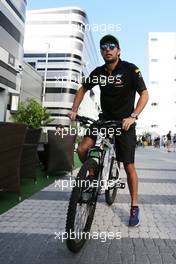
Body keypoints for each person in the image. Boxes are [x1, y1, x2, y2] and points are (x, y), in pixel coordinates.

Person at [68, 35, 149, 227]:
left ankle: (134, 207)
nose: (108, 49)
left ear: (118, 51)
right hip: (104, 119)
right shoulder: (98, 72)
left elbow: (144, 94)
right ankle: (91, 179)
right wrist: (74, 110)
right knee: (82, 149)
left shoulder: (130, 69)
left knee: (128, 165)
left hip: (125, 123)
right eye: (104, 47)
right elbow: (82, 89)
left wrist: (134, 116)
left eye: (112, 46)